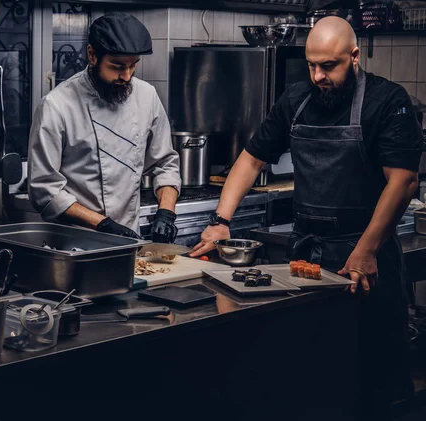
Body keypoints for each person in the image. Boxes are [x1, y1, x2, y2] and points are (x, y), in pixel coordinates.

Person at [190, 16, 421, 419]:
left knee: (371, 385)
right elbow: (250, 158)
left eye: (328, 66)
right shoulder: (295, 99)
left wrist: (365, 251)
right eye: (311, 65)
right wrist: (221, 218)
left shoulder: (387, 101)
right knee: (309, 380)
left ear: (353, 56)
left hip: (365, 262)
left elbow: (402, 182)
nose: (317, 75)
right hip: (306, 260)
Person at [28, 12, 181, 243]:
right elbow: (44, 190)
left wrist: (166, 212)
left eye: (133, 66)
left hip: (129, 237)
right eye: (117, 66)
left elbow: (164, 163)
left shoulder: (147, 96)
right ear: (92, 54)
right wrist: (103, 224)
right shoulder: (56, 105)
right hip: (74, 241)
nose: (127, 76)